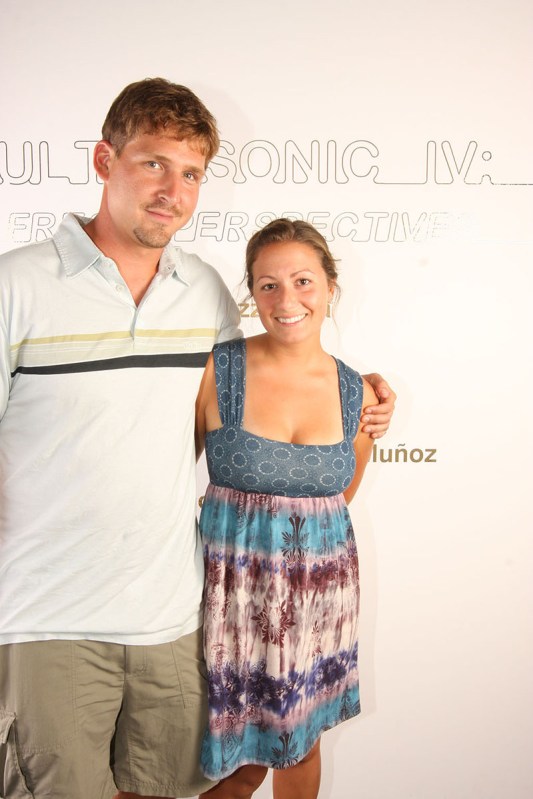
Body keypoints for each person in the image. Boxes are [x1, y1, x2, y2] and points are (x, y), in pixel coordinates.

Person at [0, 79, 395, 799]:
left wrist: (361, 395)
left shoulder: (201, 291)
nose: (171, 190)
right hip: (48, 616)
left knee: (179, 786)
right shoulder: (16, 285)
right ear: (104, 160)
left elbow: (266, 381)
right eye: (153, 163)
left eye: (190, 173)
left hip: (173, 613)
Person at [195, 218, 379, 799]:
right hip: (229, 599)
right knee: (236, 766)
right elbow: (164, 474)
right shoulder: (216, 370)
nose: (286, 300)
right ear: (251, 293)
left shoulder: (359, 393)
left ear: (329, 288)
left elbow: (336, 501)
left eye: (303, 281)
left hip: (319, 602)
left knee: (302, 746)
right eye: (268, 285)